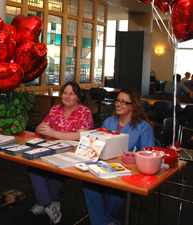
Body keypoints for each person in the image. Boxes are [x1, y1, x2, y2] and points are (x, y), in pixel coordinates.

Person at [83, 87, 155, 225]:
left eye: (124, 102)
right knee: (88, 182)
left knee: (115, 190)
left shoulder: (143, 127)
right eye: (117, 101)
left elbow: (148, 155)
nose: (118, 104)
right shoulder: (109, 121)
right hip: (104, 167)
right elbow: (98, 144)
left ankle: (105, 220)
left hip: (127, 173)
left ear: (133, 106)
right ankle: (105, 222)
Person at [29, 82, 93, 224]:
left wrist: (53, 133)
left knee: (55, 171)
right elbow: (40, 126)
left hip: (72, 153)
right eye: (65, 93)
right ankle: (48, 204)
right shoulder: (55, 109)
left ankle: (44, 203)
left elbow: (80, 135)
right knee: (32, 164)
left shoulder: (84, 112)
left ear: (78, 96)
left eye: (72, 93)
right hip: (51, 148)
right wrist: (42, 129)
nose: (67, 96)